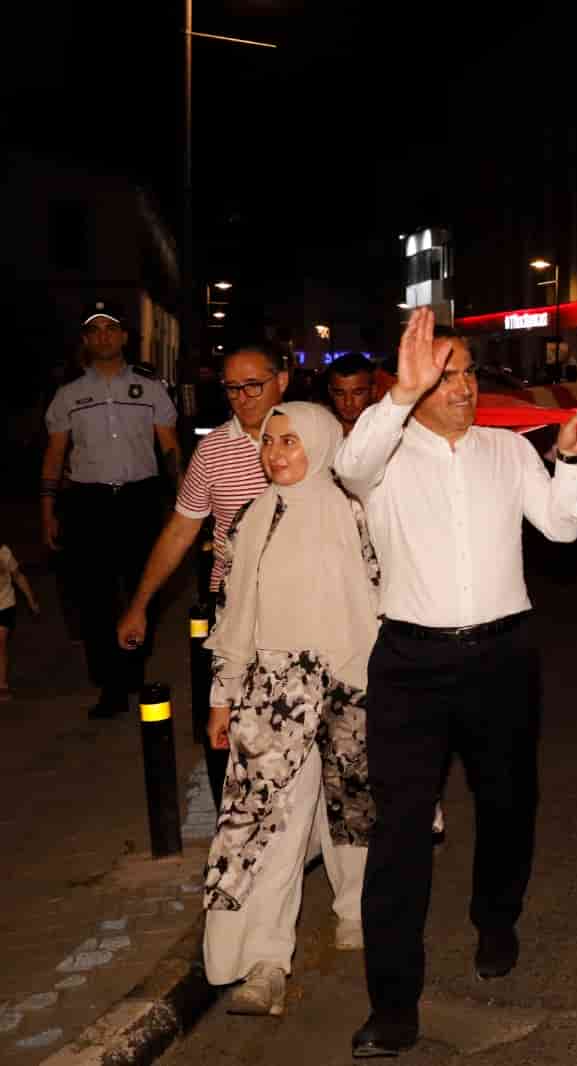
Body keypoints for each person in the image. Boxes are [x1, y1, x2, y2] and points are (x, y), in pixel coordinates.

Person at [335, 310, 577, 1058]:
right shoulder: (382, 456)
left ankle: (496, 917)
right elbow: (349, 465)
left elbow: (562, 528)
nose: (463, 387)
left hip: (502, 657)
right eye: (444, 375)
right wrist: (398, 392)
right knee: (399, 833)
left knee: (508, 803)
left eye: (469, 373)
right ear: (413, 384)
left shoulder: (506, 450)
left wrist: (569, 461)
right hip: (410, 664)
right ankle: (393, 1005)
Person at [201, 402, 378, 1018]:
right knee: (266, 826)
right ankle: (263, 962)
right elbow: (232, 614)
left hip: (353, 680)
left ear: (323, 445)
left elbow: (382, 594)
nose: (275, 453)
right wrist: (222, 696)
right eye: (269, 441)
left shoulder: (356, 511)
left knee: (353, 808)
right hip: (273, 694)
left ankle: (356, 909)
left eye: (291, 441)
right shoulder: (253, 517)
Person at [118, 344, 285, 806]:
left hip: (300, 607)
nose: (242, 397)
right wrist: (140, 605)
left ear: (281, 381)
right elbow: (180, 531)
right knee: (226, 725)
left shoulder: (311, 437)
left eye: (254, 385)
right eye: (232, 388)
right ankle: (234, 817)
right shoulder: (212, 451)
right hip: (232, 610)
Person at [41, 300, 181, 718]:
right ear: (86, 340)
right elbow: (55, 456)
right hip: (89, 504)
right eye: (95, 330)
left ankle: (134, 668)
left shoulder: (149, 388)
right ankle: (110, 685)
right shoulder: (68, 394)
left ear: (123, 337)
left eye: (111, 328)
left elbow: (169, 448)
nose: (103, 336)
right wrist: (47, 509)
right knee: (94, 596)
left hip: (141, 500)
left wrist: (182, 500)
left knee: (144, 589)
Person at [0, 543, 42, 700]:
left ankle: (2, 684)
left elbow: (18, 576)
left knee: (0, 642)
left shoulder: (3, 552)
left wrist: (31, 600)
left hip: (5, 604)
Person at [326, 353, 377, 436]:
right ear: (330, 392)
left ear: (373, 391)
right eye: (340, 393)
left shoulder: (387, 432)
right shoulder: (319, 429)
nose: (348, 402)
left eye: (357, 393)